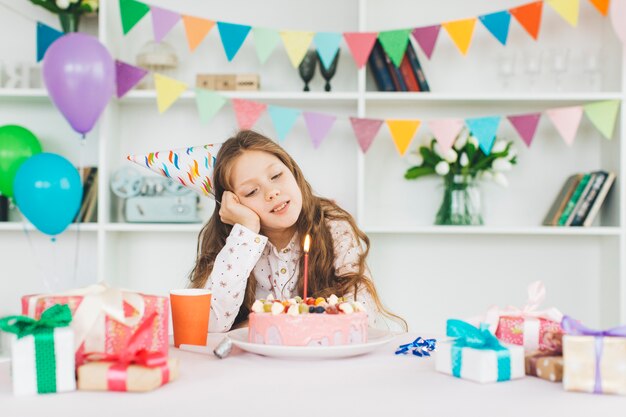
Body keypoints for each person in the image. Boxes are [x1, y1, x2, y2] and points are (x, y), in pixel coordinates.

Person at [189, 130, 405, 332]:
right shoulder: (233, 243)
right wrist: (246, 232)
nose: (272, 192)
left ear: (292, 171)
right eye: (252, 191)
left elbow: (362, 314)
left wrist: (270, 323)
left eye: (275, 176)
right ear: (232, 204)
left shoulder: (333, 226)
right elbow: (211, 325)